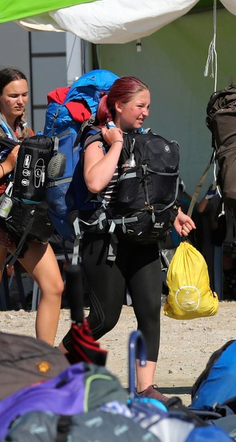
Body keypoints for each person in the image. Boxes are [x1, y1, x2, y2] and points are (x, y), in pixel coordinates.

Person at [58, 76, 195, 401]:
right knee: (105, 318)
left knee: (149, 310)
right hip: (102, 239)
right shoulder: (96, 137)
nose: (146, 112)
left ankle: (146, 388)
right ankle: (51, 365)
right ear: (119, 105)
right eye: (139, 106)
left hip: (142, 237)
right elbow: (94, 181)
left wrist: (174, 212)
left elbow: (148, 189)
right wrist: (116, 143)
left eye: (148, 106)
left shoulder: (144, 140)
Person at [0, 67, 64, 343]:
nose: (20, 101)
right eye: (13, 95)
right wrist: (7, 165)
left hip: (21, 217)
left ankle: (44, 363)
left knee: (53, 286)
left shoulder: (24, 131)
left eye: (25, 95)